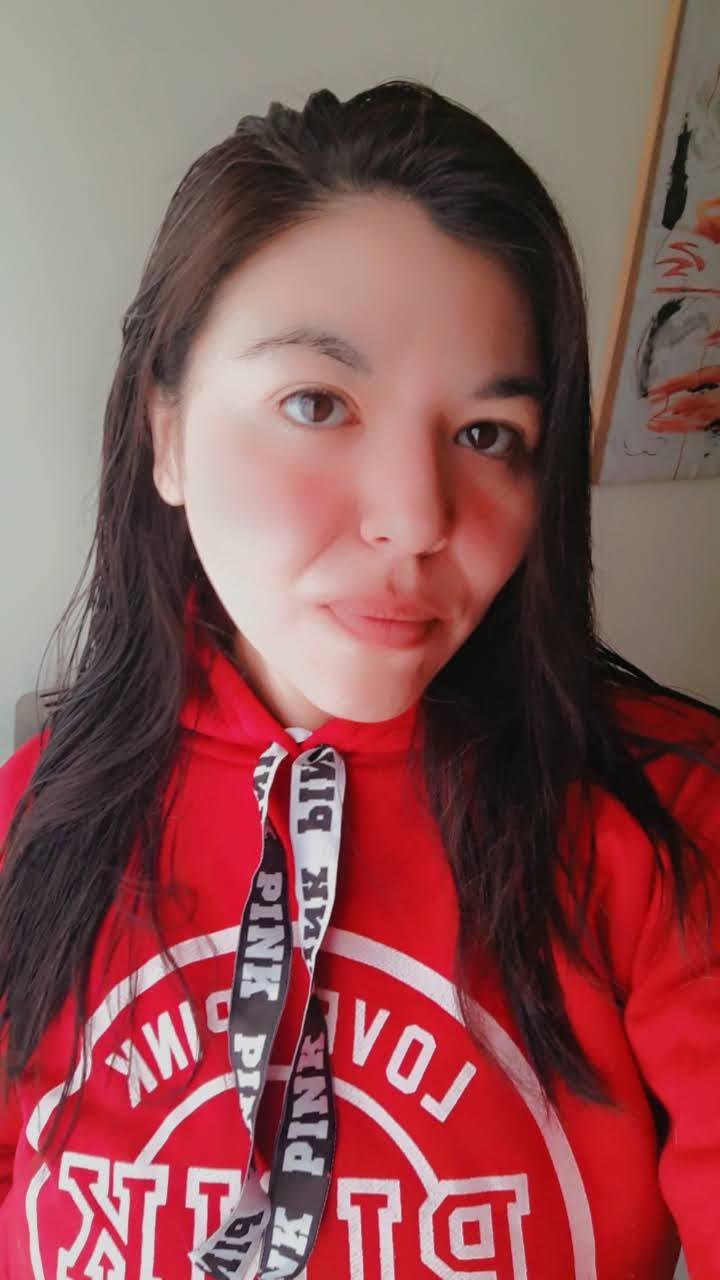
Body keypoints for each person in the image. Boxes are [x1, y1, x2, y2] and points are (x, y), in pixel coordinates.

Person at [0, 78, 718, 1280]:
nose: (419, 517)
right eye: (317, 402)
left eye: (486, 434)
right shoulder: (34, 821)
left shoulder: (669, 819)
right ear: (165, 432)